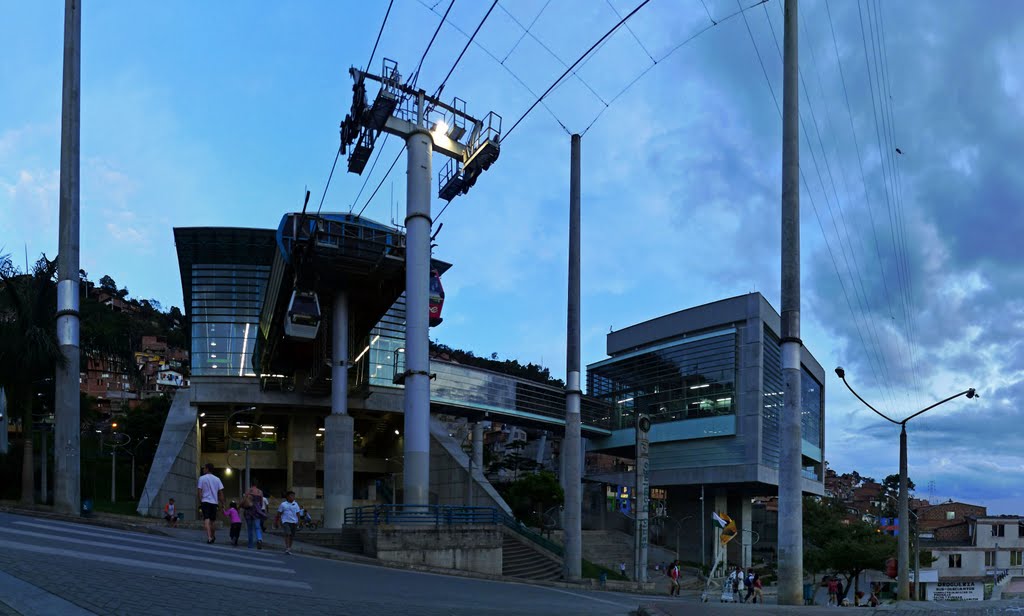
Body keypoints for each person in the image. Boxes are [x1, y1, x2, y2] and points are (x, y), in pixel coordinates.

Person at [196, 463, 225, 544]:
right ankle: (212, 536)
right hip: (214, 503)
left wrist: (200, 501)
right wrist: (223, 504)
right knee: (212, 521)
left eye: (204, 468)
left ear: (207, 469)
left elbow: (199, 491)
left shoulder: (202, 478)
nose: (203, 469)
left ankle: (209, 538)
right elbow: (221, 493)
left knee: (206, 519)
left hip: (205, 502)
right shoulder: (217, 479)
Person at [242, 482, 265, 549]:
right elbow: (261, 502)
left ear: (251, 484)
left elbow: (245, 500)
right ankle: (259, 539)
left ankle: (250, 544)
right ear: (256, 485)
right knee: (258, 527)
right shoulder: (260, 492)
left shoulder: (249, 491)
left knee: (250, 529)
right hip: (257, 511)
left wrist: (241, 506)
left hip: (249, 511)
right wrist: (259, 508)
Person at [277, 490, 301, 555]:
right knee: (288, 534)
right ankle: (287, 548)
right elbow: (279, 513)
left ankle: (289, 548)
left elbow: (298, 513)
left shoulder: (295, 504)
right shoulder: (283, 504)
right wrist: (278, 522)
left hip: (294, 522)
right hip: (285, 521)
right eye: (291, 496)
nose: (293, 497)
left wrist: (299, 521)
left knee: (292, 536)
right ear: (287, 497)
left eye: (294, 496)